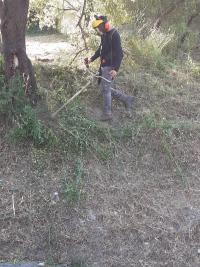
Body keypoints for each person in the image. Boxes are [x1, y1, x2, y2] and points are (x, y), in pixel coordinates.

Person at [85, 15, 134, 121]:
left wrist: (115, 69)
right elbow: (100, 50)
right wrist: (91, 59)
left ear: (105, 24)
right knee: (105, 88)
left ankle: (107, 113)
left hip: (110, 66)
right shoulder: (104, 35)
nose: (99, 30)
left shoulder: (114, 35)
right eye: (97, 28)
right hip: (103, 65)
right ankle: (126, 98)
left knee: (105, 89)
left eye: (99, 27)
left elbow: (120, 54)